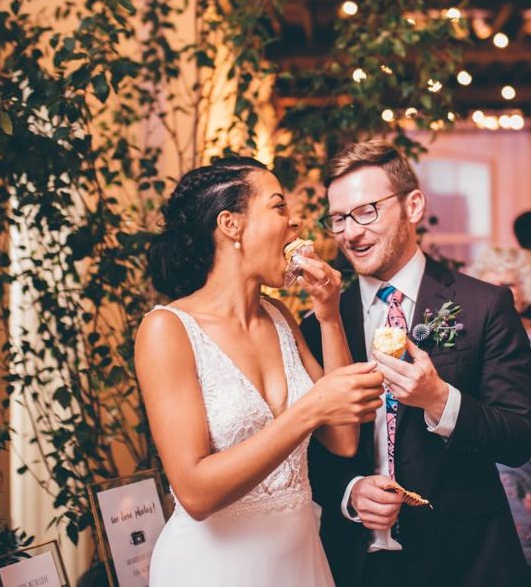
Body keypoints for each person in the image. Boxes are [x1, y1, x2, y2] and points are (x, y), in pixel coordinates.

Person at [136, 157, 384, 586]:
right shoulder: (167, 330)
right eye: (278, 207)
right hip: (213, 568)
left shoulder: (281, 317)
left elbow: (344, 439)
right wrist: (309, 410)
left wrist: (328, 316)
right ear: (230, 225)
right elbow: (195, 493)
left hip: (300, 560)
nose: (296, 222)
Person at [302, 140, 531, 587]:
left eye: (366, 210)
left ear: (413, 205)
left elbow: (519, 438)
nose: (351, 232)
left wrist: (441, 400)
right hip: (356, 564)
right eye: (339, 219)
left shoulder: (483, 305)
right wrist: (348, 492)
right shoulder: (321, 323)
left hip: (467, 558)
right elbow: (304, 447)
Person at [468, 246, 531, 565]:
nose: (502, 294)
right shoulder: (476, 343)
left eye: (510, 284)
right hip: (496, 456)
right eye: (493, 286)